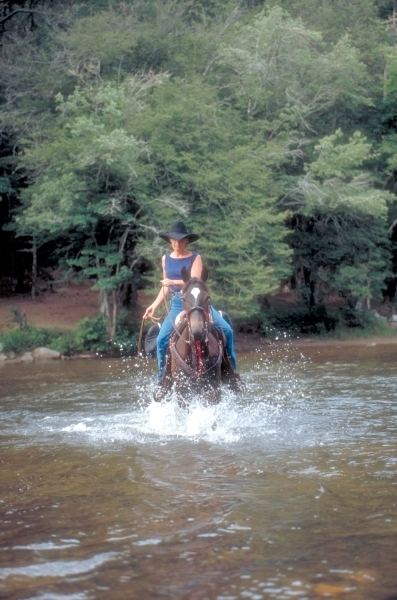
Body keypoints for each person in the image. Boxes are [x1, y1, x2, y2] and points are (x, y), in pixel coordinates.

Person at [143, 220, 238, 394]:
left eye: (180, 240)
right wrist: (154, 306)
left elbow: (194, 282)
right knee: (162, 340)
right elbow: (165, 287)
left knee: (227, 331)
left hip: (197, 302)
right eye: (173, 240)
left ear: (187, 241)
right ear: (169, 241)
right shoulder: (165, 259)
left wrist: (172, 281)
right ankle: (162, 381)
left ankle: (232, 372)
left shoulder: (196, 258)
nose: (176, 243)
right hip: (178, 304)